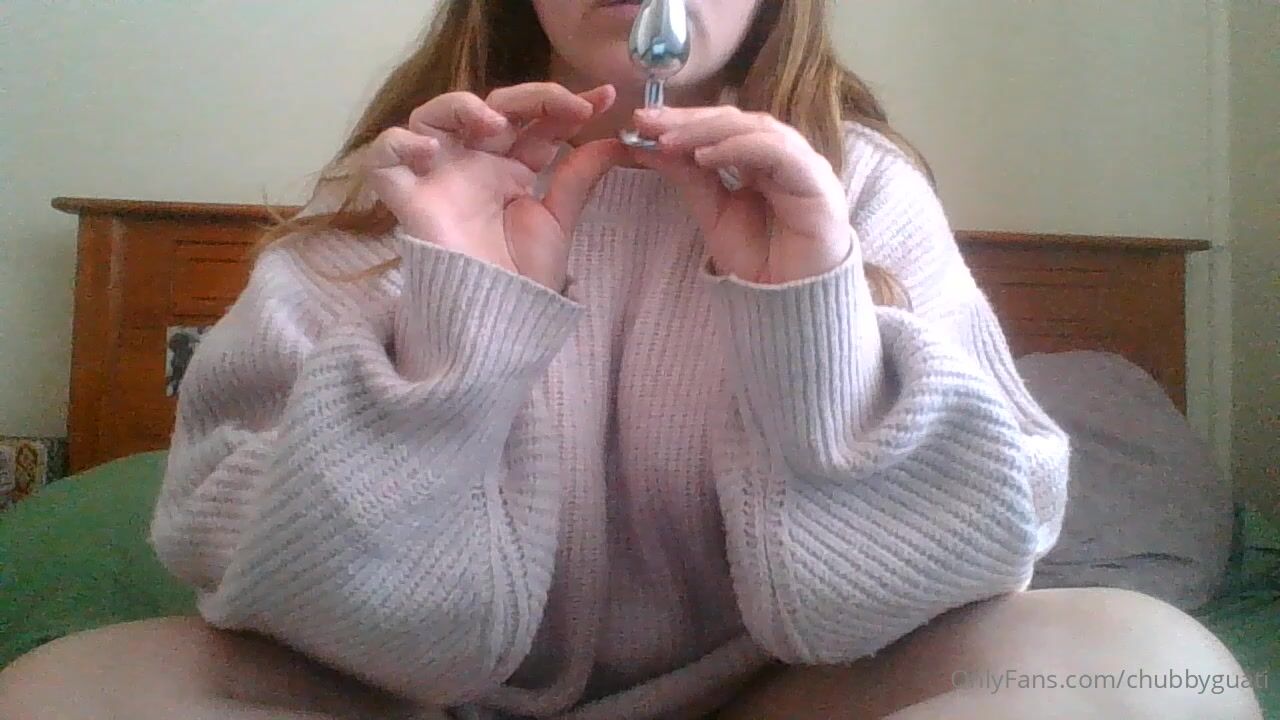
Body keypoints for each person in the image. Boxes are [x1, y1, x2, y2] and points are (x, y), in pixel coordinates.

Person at [0, 1, 1261, 719]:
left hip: (782, 700)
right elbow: (311, 602)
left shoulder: (864, 192)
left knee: (1151, 669)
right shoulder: (387, 206)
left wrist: (812, 323)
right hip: (412, 702)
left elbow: (928, 583)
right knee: (64, 692)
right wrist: (454, 335)